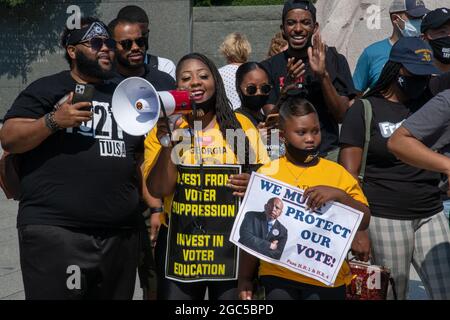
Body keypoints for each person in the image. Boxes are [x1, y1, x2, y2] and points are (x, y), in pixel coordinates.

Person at [0, 18, 142, 299]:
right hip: (58, 233)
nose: (106, 50)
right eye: (96, 43)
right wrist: (54, 120)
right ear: (72, 50)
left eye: (110, 44)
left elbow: (137, 157)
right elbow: (10, 137)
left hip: (120, 234)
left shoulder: (124, 92)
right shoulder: (47, 88)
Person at [143, 53, 269, 300]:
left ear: (216, 82)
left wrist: (252, 182)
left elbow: (266, 179)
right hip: (182, 250)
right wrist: (168, 141)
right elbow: (159, 188)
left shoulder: (240, 124)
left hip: (231, 249)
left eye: (203, 76)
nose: (195, 82)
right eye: (186, 78)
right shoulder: (166, 128)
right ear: (177, 87)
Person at [339, 37, 450, 300]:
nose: (421, 80)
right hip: (386, 214)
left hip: (431, 210)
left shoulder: (431, 103)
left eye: (426, 74)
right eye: (414, 73)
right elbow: (348, 176)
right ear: (395, 70)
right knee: (393, 293)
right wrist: (360, 229)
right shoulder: (365, 110)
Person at [238, 96, 370, 300]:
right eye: (301, 132)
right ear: (282, 136)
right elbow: (256, 229)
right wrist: (245, 277)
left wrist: (340, 196)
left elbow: (365, 219)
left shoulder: (337, 173)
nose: (310, 138)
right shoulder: (267, 173)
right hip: (278, 275)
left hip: (326, 278)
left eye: (315, 131)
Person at [108, 16, 175, 300]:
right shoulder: (102, 83)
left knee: (155, 279)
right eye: (126, 43)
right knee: (113, 278)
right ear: (111, 47)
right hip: (114, 195)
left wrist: (157, 207)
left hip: (154, 192)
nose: (135, 47)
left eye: (141, 41)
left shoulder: (164, 81)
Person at [261, 0, 357, 161]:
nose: (298, 29)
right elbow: (271, 124)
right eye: (291, 23)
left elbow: (341, 115)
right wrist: (285, 93)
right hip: (284, 157)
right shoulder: (268, 67)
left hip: (326, 154)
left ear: (315, 27)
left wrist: (323, 76)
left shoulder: (334, 60)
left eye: (305, 23)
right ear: (283, 29)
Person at [353, 0, 429, 94]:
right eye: (414, 17)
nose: (420, 22)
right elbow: (355, 97)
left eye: (422, 17)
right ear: (395, 19)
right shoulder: (372, 53)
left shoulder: (428, 51)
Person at [117, 5, 176, 79]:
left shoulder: (164, 67)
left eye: (142, 36)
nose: (135, 47)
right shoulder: (107, 73)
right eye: (127, 42)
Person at [218, 32, 252, 110]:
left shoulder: (218, 73)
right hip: (250, 118)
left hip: (227, 117)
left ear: (226, 51)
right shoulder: (253, 71)